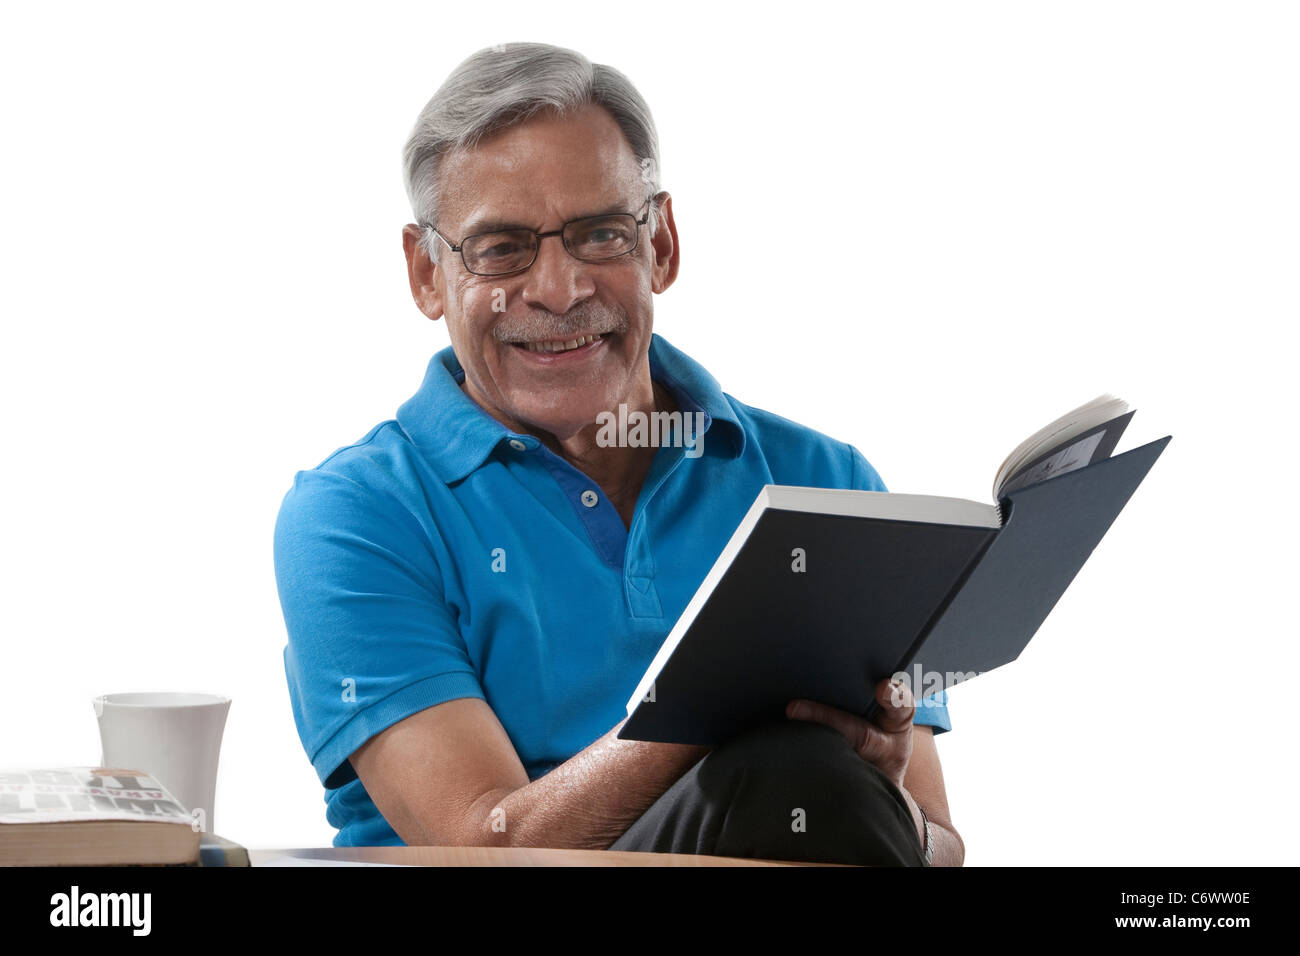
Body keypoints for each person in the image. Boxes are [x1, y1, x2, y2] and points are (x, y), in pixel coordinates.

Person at [273, 41, 964, 866]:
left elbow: (943, 845)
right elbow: (482, 843)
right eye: (501, 249)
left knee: (807, 777)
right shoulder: (355, 518)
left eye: (601, 235)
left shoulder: (828, 484)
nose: (559, 290)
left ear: (662, 244)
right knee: (790, 771)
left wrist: (882, 800)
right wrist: (731, 699)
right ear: (427, 274)